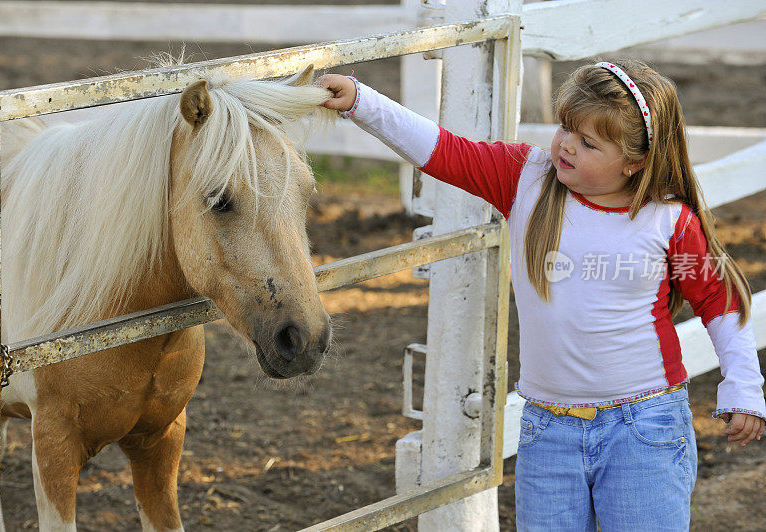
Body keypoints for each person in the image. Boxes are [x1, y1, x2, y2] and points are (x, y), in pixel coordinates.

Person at [318, 61, 765, 531]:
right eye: (566, 127)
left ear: (634, 161)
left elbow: (721, 300)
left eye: (588, 142)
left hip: (644, 428)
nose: (566, 144)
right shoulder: (525, 179)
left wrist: (743, 385)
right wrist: (362, 102)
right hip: (548, 429)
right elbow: (444, 150)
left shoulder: (670, 222)